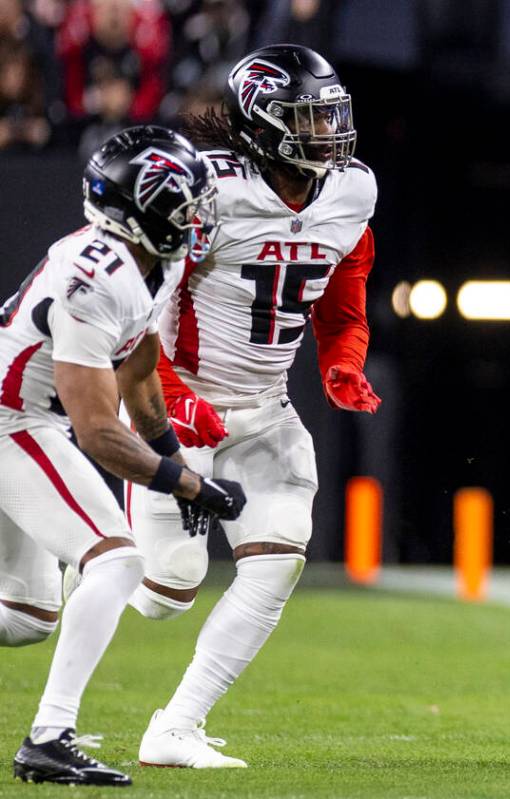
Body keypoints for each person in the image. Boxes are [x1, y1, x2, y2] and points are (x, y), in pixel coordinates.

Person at [125, 43, 379, 769]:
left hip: (266, 409)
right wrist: (172, 403)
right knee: (166, 588)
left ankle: (175, 726)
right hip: (179, 404)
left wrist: (342, 362)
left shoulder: (351, 189)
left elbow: (344, 280)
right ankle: (76, 558)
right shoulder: (207, 189)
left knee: (276, 561)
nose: (329, 130)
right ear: (264, 124)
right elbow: (141, 311)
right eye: (310, 116)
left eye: (334, 113)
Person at [1, 125, 246, 786]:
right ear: (138, 210)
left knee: (24, 618)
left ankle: (50, 734)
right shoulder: (95, 274)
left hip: (28, 421)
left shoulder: (151, 263)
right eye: (184, 203)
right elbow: (95, 429)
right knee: (116, 559)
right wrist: (188, 484)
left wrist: (175, 463)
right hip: (13, 420)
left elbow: (139, 376)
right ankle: (50, 737)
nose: (198, 215)